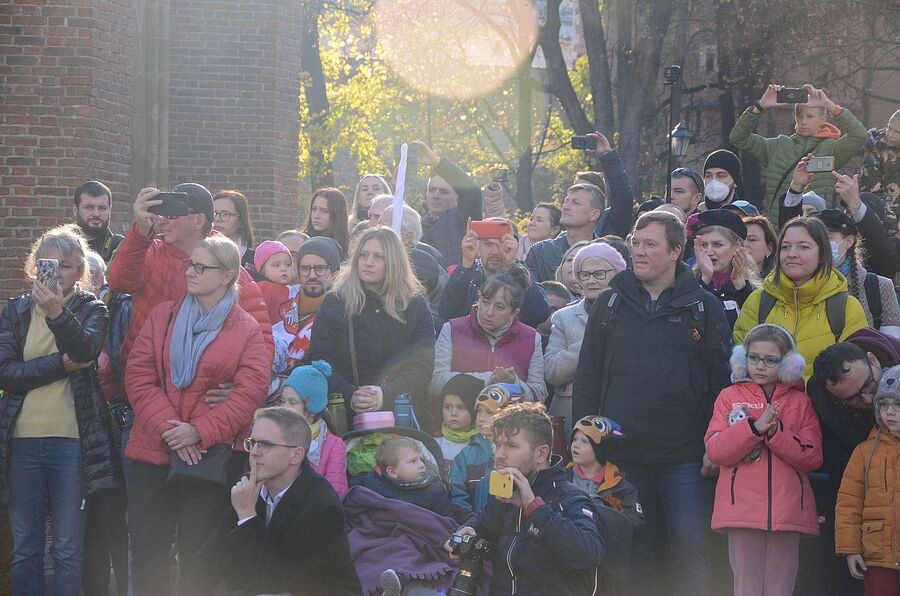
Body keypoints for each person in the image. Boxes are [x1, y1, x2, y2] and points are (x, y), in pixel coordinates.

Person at [572, 210, 733, 596]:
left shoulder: (704, 307)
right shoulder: (610, 304)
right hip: (623, 454)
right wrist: (584, 439)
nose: (639, 252)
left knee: (691, 550)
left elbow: (720, 383)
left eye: (650, 245)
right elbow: (588, 376)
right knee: (630, 552)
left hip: (686, 455)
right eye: (635, 244)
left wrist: (716, 442)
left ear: (677, 251)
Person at [123, 236, 271, 596]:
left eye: (201, 267)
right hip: (152, 451)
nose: (191, 271)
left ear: (226, 276)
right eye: (191, 264)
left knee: (199, 556)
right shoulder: (163, 316)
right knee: (148, 553)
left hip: (208, 454)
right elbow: (137, 375)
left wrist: (199, 432)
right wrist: (175, 431)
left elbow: (249, 393)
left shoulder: (247, 329)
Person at [0, 224, 119, 595]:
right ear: (36, 267)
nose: (59, 272)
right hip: (21, 442)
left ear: (81, 271)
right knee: (26, 547)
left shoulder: (91, 308)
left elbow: (85, 351)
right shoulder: (16, 310)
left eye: (68, 266)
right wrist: (58, 365)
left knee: (68, 548)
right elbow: (6, 371)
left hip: (72, 441)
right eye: (50, 263)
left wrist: (57, 313)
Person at [705, 324, 823, 596]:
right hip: (741, 511)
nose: (760, 365)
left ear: (788, 364)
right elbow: (715, 450)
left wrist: (775, 433)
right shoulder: (728, 396)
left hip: (788, 511)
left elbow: (812, 456)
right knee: (745, 586)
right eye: (753, 357)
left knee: (781, 588)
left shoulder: (800, 402)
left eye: (770, 360)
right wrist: (754, 429)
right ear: (741, 358)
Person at [444, 403, 605, 595]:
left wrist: (533, 507)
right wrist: (463, 534)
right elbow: (482, 524)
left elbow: (589, 554)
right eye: (497, 444)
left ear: (541, 453)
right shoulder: (505, 494)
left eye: (511, 446)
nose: (500, 455)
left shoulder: (570, 498)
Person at [107, 183, 272, 370]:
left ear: (198, 221)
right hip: (145, 374)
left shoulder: (226, 266)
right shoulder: (149, 250)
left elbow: (261, 341)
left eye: (172, 215)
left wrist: (240, 383)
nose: (162, 221)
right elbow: (119, 282)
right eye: (162, 215)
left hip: (206, 383)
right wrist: (140, 232)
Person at [197, 407, 361, 595]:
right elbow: (209, 559)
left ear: (296, 455)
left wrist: (247, 516)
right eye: (253, 443)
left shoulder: (322, 506)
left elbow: (276, 582)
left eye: (266, 445)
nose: (255, 452)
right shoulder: (247, 487)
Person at [309, 227, 435, 428]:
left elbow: (422, 365)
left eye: (378, 257)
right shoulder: (336, 301)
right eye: (364, 255)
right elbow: (320, 357)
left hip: (399, 418)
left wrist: (384, 394)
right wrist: (350, 394)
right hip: (344, 417)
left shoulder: (415, 305)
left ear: (393, 262)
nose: (368, 262)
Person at [809, 330, 900, 596]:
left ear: (873, 360)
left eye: (869, 388)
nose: (869, 401)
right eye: (853, 399)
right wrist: (849, 548)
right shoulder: (822, 396)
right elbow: (849, 499)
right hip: (877, 549)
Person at [733, 216, 868, 379]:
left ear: (822, 253)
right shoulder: (758, 301)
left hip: (821, 403)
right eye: (785, 247)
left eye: (803, 247)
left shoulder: (846, 307)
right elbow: (742, 367)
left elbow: (851, 374)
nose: (792, 254)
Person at [729, 84, 867, 222]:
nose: (804, 121)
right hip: (781, 229)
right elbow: (738, 138)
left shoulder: (831, 148)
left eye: (810, 116)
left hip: (818, 230)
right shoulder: (777, 146)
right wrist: (759, 107)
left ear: (822, 119)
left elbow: (860, 136)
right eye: (800, 117)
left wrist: (829, 105)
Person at [82, 251, 130, 596]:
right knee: (87, 528)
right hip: (77, 429)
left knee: (114, 519)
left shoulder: (120, 309)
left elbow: (124, 364)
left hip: (111, 426)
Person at [431, 264, 548, 403]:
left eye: (499, 307)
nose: (489, 312)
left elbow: (539, 395)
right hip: (460, 421)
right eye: (485, 302)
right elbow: (435, 383)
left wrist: (514, 384)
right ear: (478, 300)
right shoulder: (452, 329)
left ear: (514, 313)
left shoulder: (532, 338)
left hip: (509, 422)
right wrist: (487, 380)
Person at [545, 242, 626, 436]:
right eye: (584, 274)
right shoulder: (564, 317)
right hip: (571, 415)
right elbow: (552, 372)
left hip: (618, 412)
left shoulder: (631, 314)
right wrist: (591, 341)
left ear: (617, 274)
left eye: (599, 274)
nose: (591, 280)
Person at [779, 155, 900, 279]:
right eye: (848, 212)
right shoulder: (808, 272)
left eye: (830, 238)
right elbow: (790, 235)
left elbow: (883, 248)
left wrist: (857, 206)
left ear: (849, 241)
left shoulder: (877, 272)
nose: (850, 221)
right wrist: (796, 188)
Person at [835, 365, 900, 595]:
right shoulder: (864, 451)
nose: (889, 412)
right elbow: (848, 503)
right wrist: (850, 549)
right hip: (877, 555)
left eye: (897, 405)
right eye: (883, 405)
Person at [440, 219, 550, 329]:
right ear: (478, 247)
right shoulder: (467, 275)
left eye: (503, 243)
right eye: (488, 244)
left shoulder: (522, 274)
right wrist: (467, 262)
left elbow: (540, 314)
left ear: (515, 247)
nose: (495, 252)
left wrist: (513, 264)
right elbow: (447, 313)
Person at [266, 236, 341, 378]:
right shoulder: (280, 297)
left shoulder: (344, 310)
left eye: (320, 268)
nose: (312, 275)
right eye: (305, 268)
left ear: (334, 270)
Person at [816, 209, 900, 335]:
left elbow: (890, 347)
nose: (820, 245)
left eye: (827, 238)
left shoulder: (879, 287)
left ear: (849, 241)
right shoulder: (800, 283)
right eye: (815, 239)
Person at [448, 382, 523, 518]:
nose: (481, 419)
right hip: (473, 529)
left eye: (489, 412)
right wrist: (472, 525)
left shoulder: (519, 454)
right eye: (478, 412)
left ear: (509, 416)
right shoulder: (465, 456)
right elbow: (457, 496)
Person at [280, 361, 348, 496]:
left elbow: (335, 493)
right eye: (282, 401)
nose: (284, 408)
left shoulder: (333, 445)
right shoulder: (275, 436)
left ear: (312, 410)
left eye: (292, 402)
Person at [358, 437, 465, 522]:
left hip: (421, 536)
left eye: (421, 460)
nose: (422, 465)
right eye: (413, 461)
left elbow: (446, 521)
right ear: (392, 472)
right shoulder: (374, 484)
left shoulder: (435, 489)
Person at [568, 415, 644, 528]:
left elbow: (636, 520)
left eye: (584, 441)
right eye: (574, 439)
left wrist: (606, 519)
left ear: (600, 449)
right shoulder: (562, 478)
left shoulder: (620, 486)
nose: (576, 445)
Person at [415, 141, 483, 266]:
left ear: (455, 199)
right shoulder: (415, 225)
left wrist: (437, 163)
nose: (436, 195)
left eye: (444, 192)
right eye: (432, 190)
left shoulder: (463, 220)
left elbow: (472, 192)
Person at [689, 208, 759, 329]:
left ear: (737, 245)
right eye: (704, 245)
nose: (709, 252)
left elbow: (756, 325)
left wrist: (739, 283)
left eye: (717, 244)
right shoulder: (686, 283)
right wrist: (705, 278)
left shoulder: (753, 290)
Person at [526, 183, 604, 283]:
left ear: (594, 214)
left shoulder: (607, 254)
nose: (566, 207)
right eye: (566, 201)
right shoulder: (540, 252)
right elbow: (530, 294)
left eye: (575, 203)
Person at [859, 108, 900, 234]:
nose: (890, 134)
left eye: (897, 132)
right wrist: (895, 229)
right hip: (882, 224)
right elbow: (872, 195)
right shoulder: (875, 148)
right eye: (889, 127)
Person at [434, 374, 483, 473]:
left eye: (461, 407)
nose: (453, 413)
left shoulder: (482, 444)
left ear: (474, 409)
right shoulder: (435, 443)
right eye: (447, 407)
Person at [72, 180, 123, 262]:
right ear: (75, 210)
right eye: (89, 207)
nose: (96, 214)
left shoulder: (120, 246)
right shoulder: (60, 244)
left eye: (102, 208)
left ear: (109, 211)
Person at [212, 189, 257, 272]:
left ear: (240, 221)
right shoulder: (196, 254)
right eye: (213, 214)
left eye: (225, 214)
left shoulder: (254, 261)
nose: (217, 219)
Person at [304, 187, 350, 258]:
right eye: (314, 209)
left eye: (324, 211)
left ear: (336, 214)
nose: (316, 216)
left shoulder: (350, 247)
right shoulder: (301, 241)